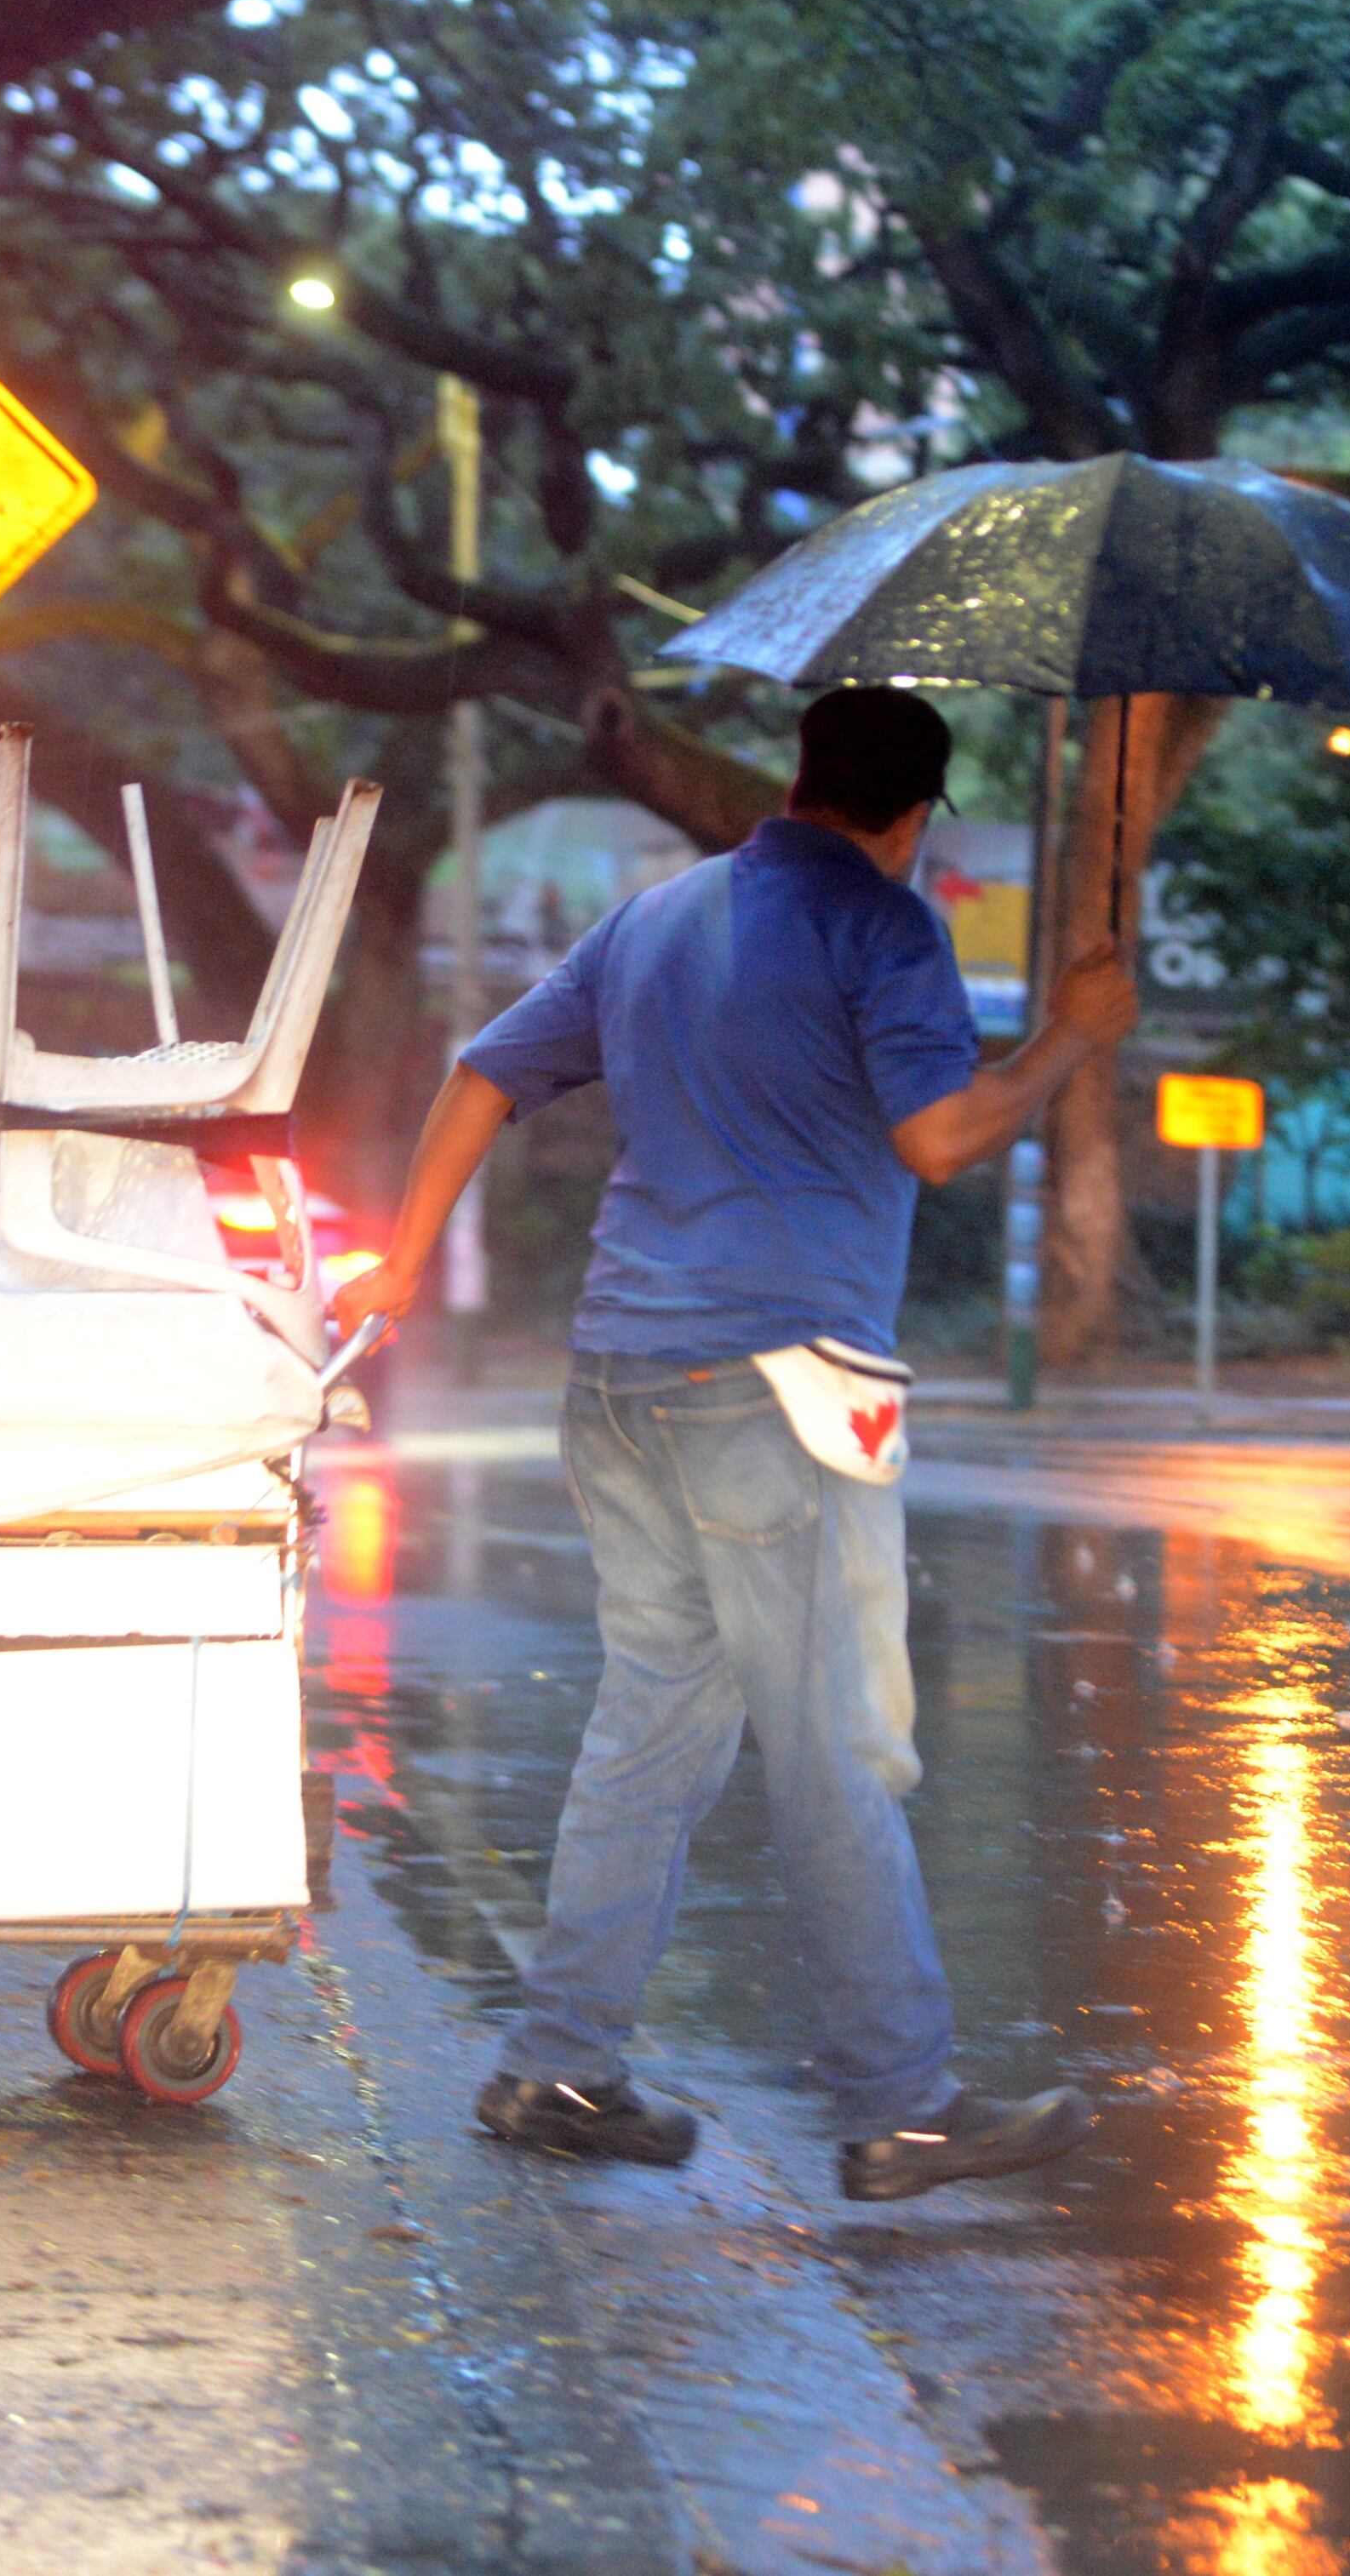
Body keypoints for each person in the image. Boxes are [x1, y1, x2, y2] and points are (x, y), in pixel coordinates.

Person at [330, 686, 1137, 2203]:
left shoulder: (657, 915)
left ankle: (559, 2062)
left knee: (655, 1726)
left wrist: (397, 1252)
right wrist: (1068, 1042)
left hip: (621, 1370)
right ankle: (904, 2104)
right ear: (911, 816)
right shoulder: (886, 927)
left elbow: (482, 1074)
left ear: (798, 776)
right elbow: (941, 1139)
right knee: (837, 1739)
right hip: (797, 1375)